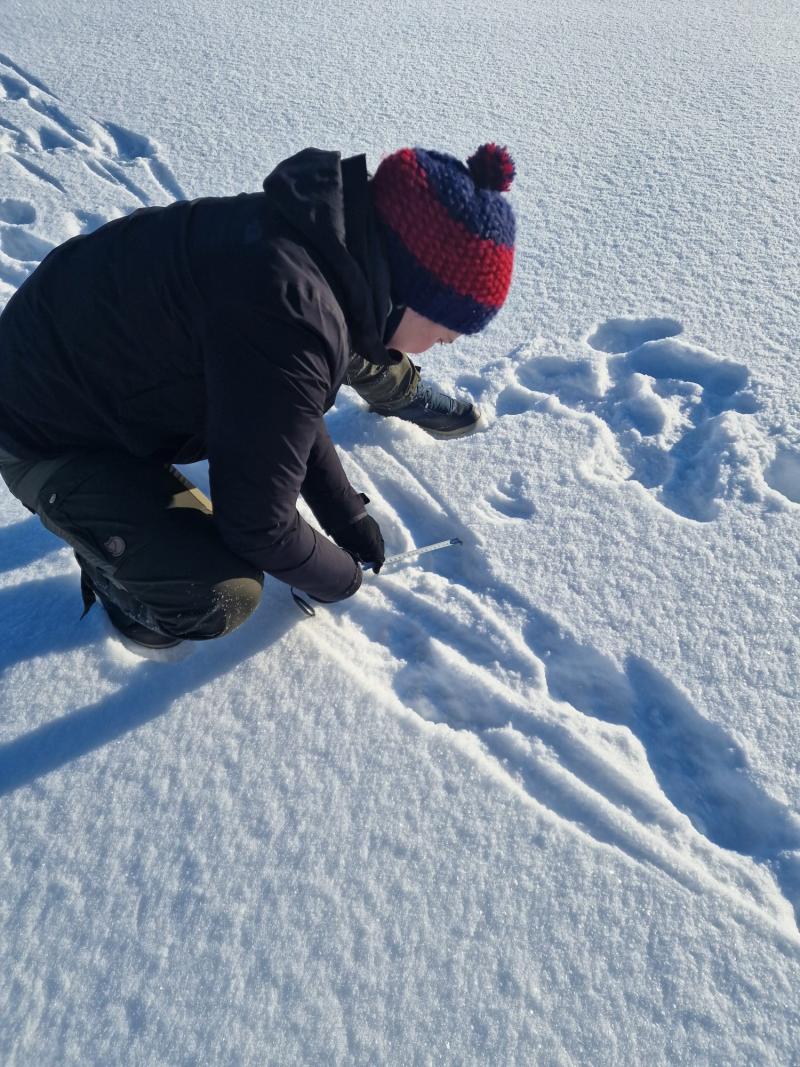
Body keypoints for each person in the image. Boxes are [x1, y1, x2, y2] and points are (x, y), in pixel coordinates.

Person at [0, 143, 516, 650]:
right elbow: (257, 526)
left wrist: (345, 515)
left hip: (86, 372)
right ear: (411, 293)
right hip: (37, 430)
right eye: (445, 333)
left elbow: (283, 393)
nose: (440, 346)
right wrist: (343, 581)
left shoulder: (309, 246)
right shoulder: (291, 311)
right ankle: (114, 567)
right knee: (218, 595)